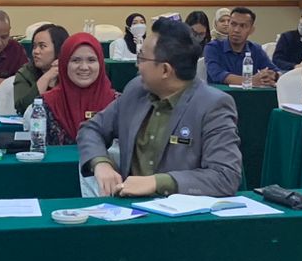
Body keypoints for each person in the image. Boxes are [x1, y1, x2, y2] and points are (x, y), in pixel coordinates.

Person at [78, 18, 242, 197]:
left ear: (165, 70)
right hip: (128, 207)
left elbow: (225, 177)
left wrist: (158, 182)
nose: (137, 65)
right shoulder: (136, 90)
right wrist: (101, 163)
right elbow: (91, 129)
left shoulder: (212, 105)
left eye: (141, 58)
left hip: (180, 211)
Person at [42, 33, 119, 146]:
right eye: (76, 60)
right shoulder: (44, 106)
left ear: (101, 64)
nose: (84, 67)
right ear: (64, 64)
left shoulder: (118, 104)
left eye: (91, 60)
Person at [203, 7, 279, 86]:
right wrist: (250, 80)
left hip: (249, 93)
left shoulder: (255, 49)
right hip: (220, 93)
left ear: (251, 30)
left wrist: (272, 76)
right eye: (233, 24)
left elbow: (276, 71)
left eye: (243, 26)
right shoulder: (213, 47)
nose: (236, 30)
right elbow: (217, 74)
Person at [14, 23, 69, 113]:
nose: (35, 51)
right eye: (34, 46)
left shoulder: (71, 71)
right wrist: (47, 76)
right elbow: (23, 108)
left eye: (42, 46)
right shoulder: (26, 72)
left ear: (59, 48)